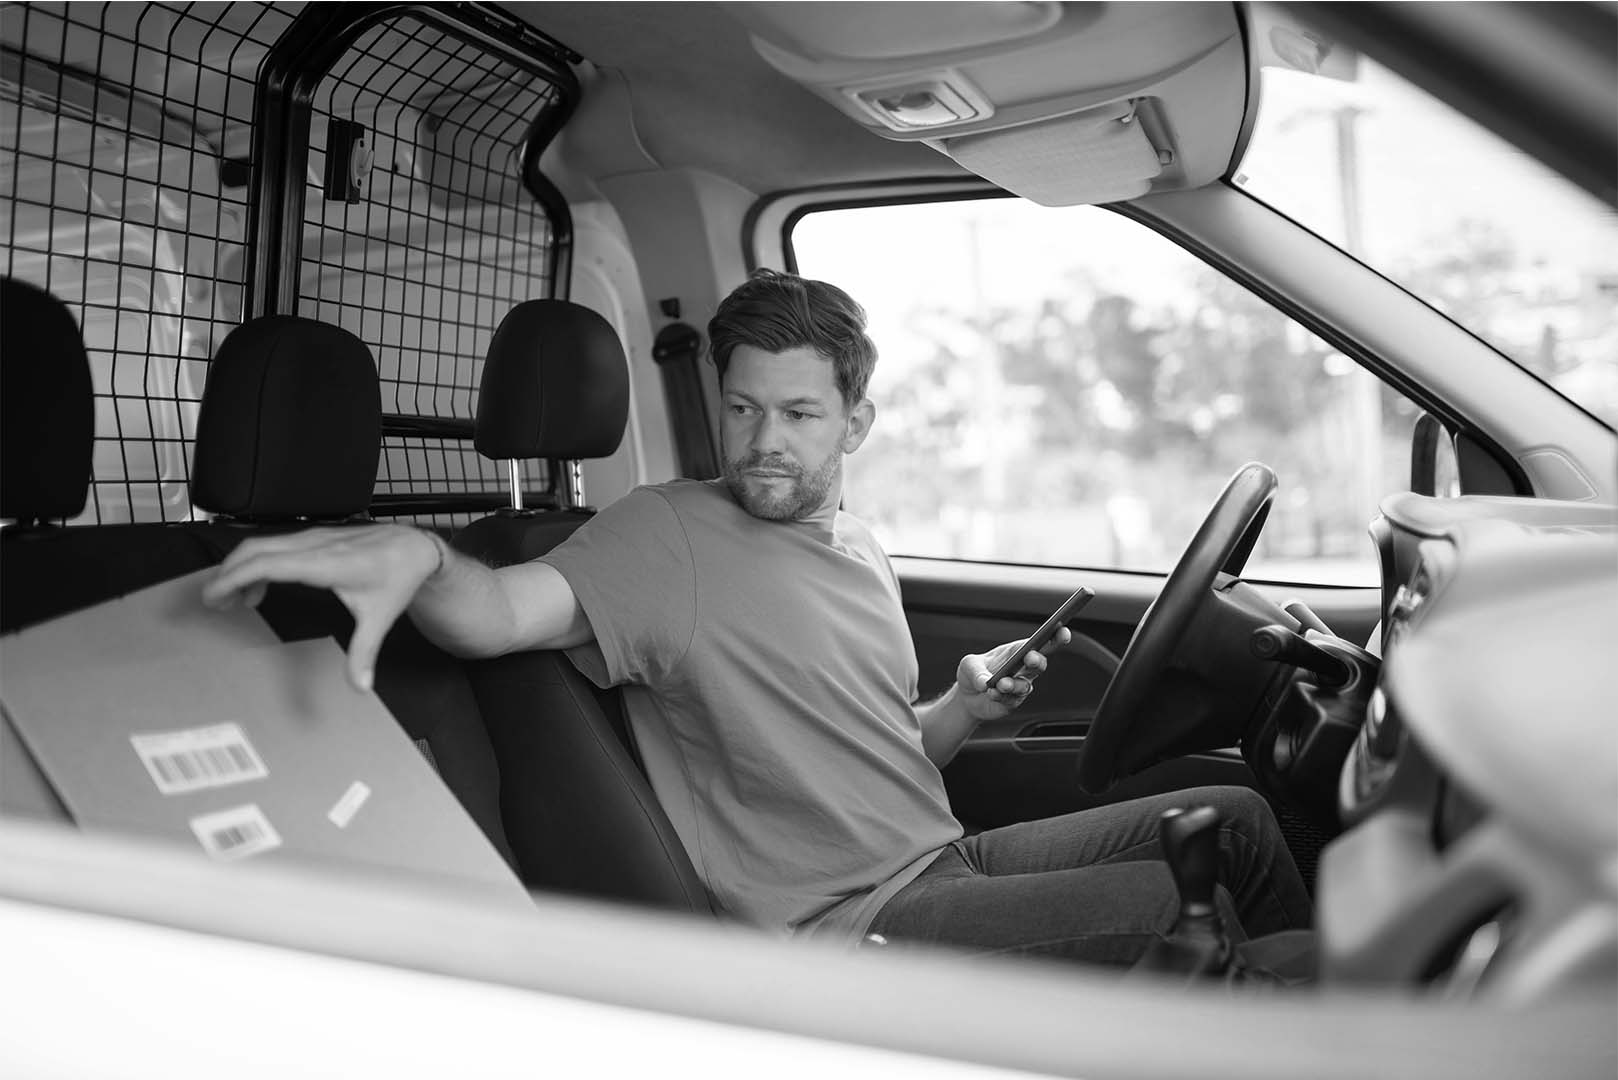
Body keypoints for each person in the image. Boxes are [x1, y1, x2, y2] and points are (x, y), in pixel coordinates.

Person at [204, 269, 1310, 965]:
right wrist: (415, 554)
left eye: (796, 413)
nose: (762, 441)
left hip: (940, 860)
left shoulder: (857, 544)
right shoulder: (665, 534)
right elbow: (495, 613)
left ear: (855, 423)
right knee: (1189, 894)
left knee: (1237, 817)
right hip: (842, 928)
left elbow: (864, 752)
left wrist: (962, 712)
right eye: (740, 409)